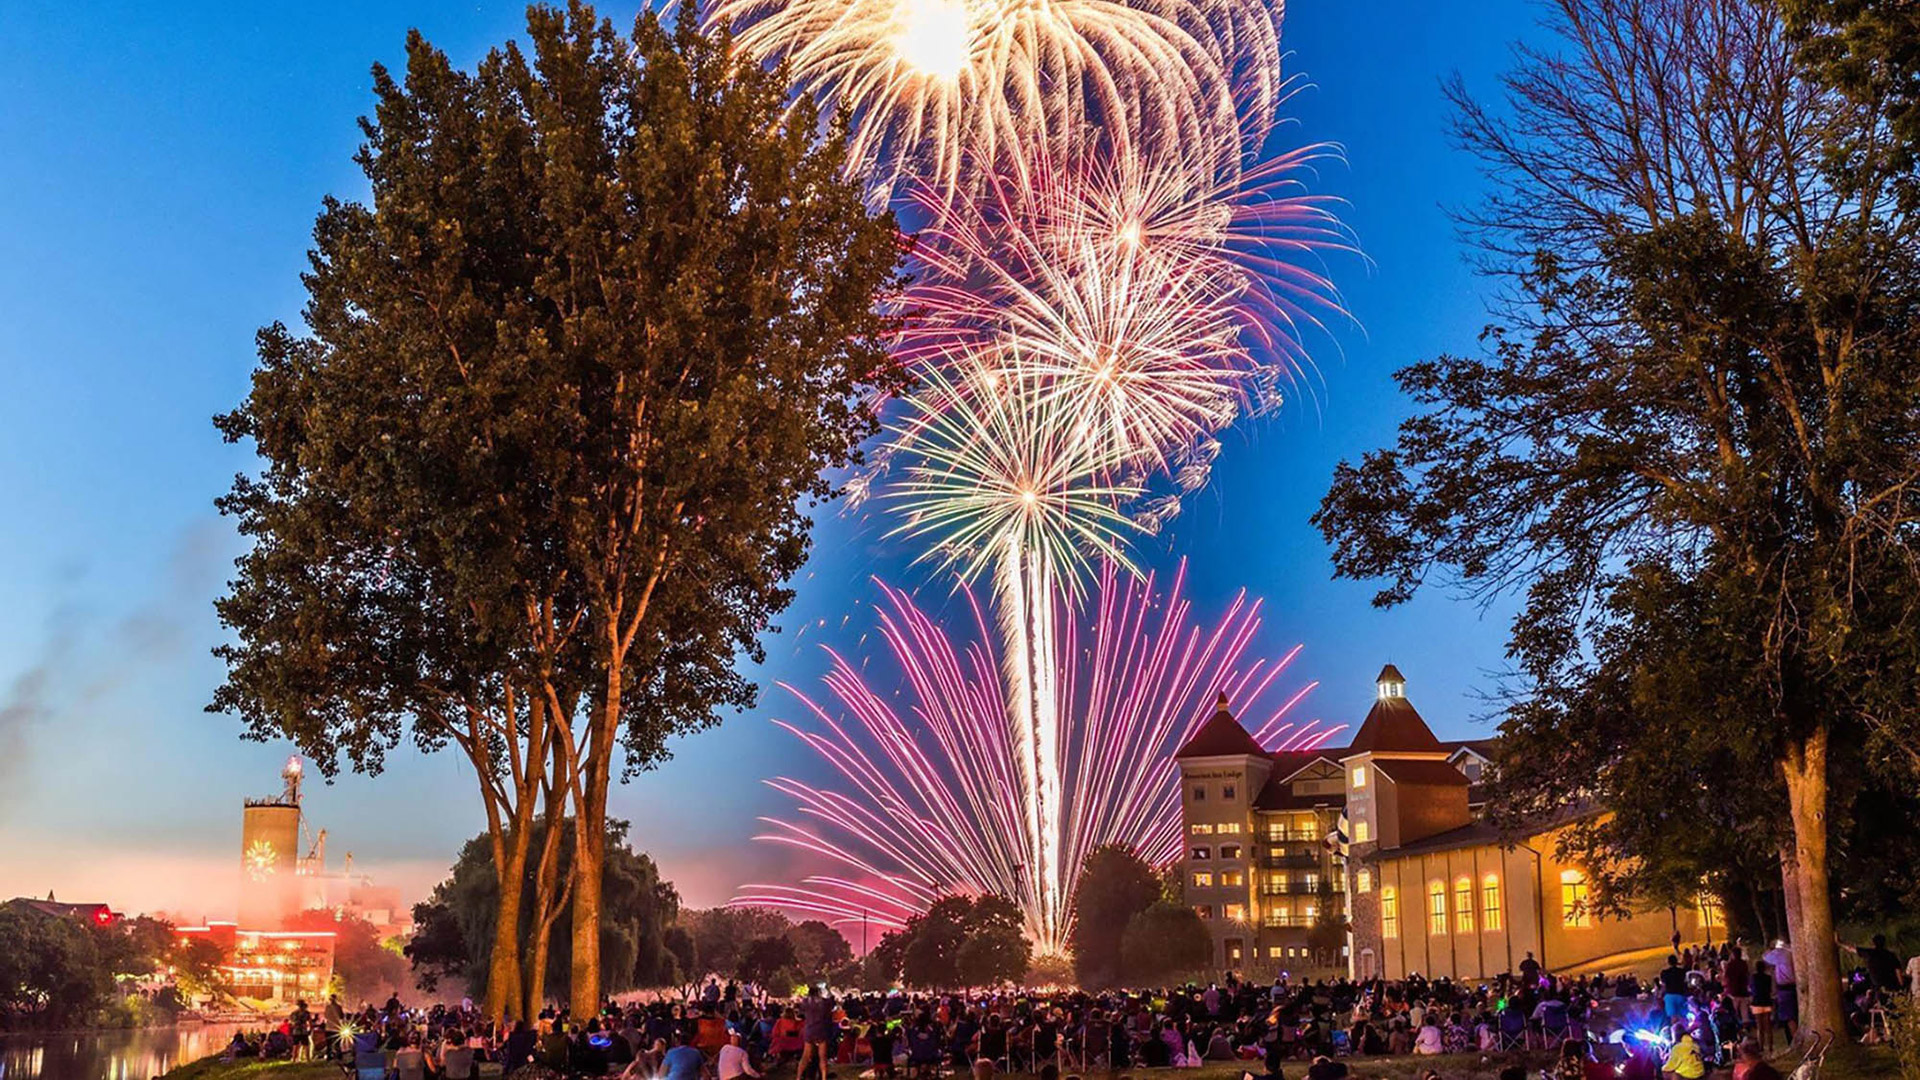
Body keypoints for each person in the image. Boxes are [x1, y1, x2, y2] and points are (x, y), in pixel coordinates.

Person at [799, 986, 834, 1080]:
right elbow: (829, 1014)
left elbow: (801, 1012)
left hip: (809, 1029)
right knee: (822, 1057)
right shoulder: (825, 1002)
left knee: (805, 1056)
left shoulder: (805, 1002)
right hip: (821, 1029)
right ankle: (824, 1077)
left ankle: (798, 1077)